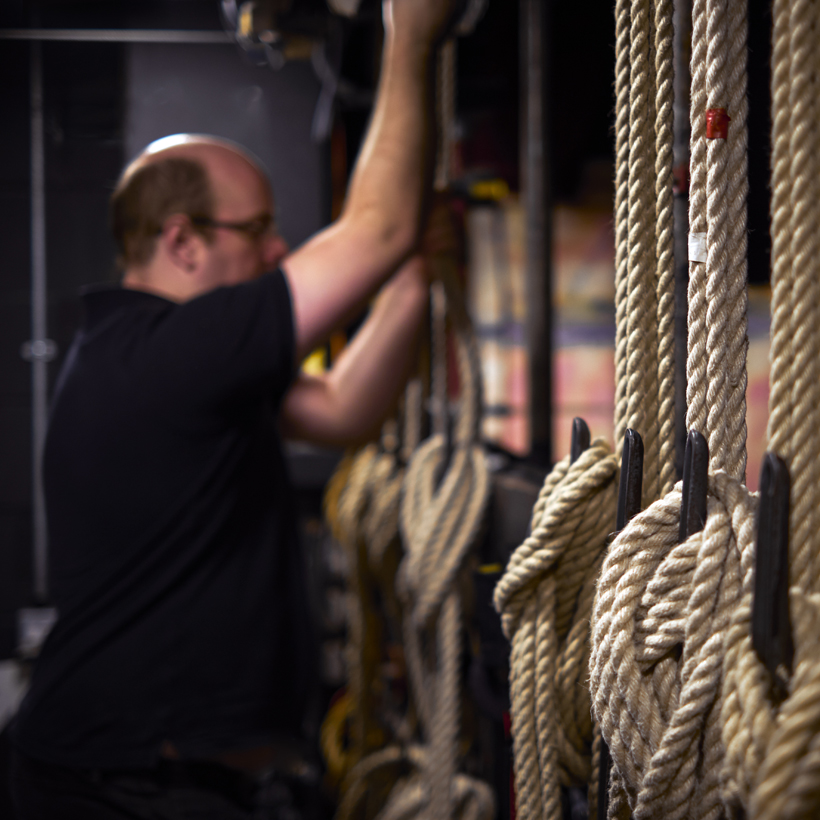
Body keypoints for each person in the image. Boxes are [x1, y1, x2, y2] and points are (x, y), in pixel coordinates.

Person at [9, 0, 460, 816]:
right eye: (257, 229)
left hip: (150, 780)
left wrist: (408, 286)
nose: (277, 249)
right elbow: (377, 230)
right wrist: (412, 33)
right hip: (128, 790)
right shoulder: (169, 353)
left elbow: (340, 409)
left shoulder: (162, 359)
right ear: (182, 241)